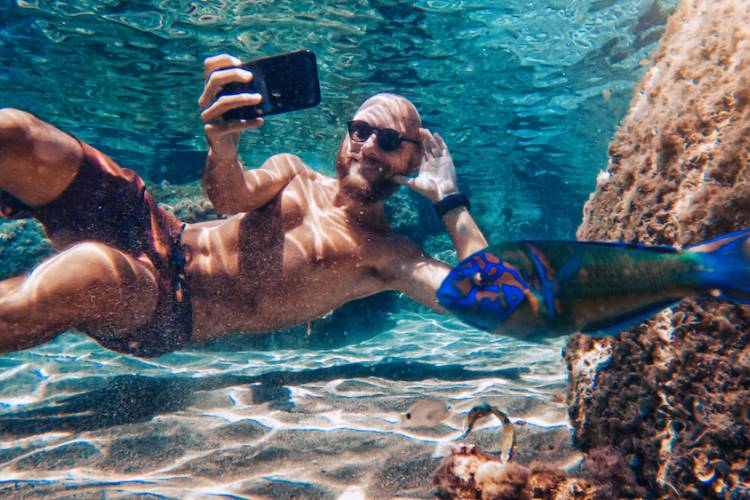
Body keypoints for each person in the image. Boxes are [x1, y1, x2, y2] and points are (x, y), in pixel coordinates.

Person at [0, 54, 488, 358]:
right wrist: (224, 145)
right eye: (359, 131)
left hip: (167, 308)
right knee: (18, 134)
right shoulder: (293, 169)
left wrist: (450, 200)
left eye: (388, 139)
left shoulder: (388, 256)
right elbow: (228, 197)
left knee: (84, 272)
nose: (367, 147)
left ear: (414, 157)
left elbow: (492, 300)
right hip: (155, 228)